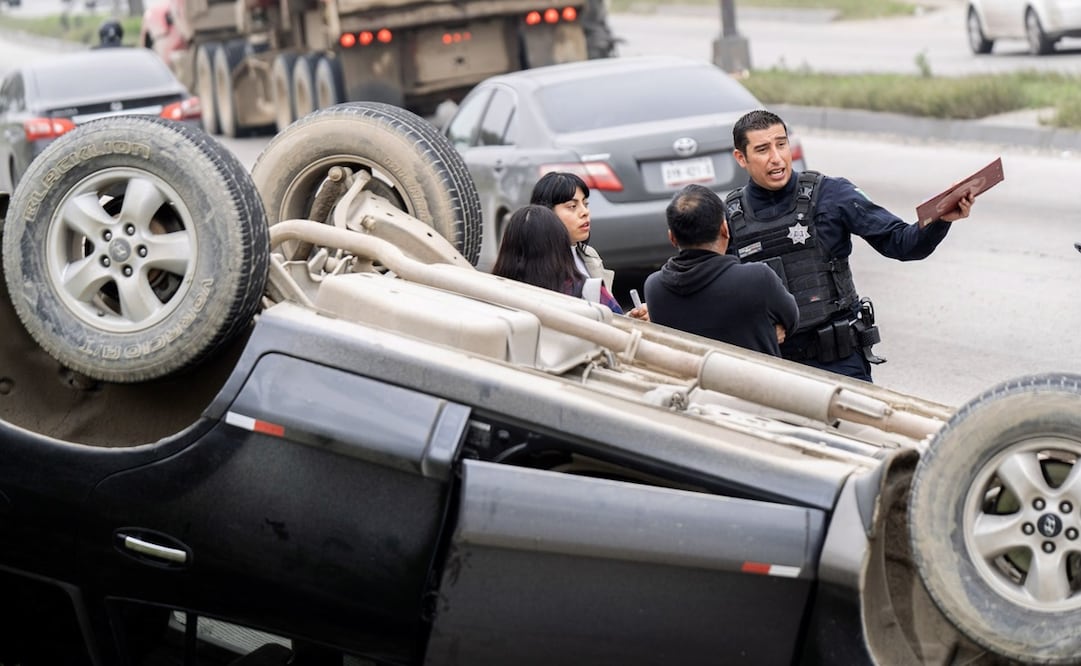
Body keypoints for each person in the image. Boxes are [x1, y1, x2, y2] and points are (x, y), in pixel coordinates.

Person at [725, 109, 974, 381]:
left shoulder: (832, 194)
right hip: (771, 368)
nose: (776, 158)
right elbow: (717, 297)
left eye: (781, 144)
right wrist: (755, 328)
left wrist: (939, 220)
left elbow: (903, 243)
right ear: (741, 158)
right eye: (762, 149)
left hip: (839, 362)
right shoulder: (729, 218)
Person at [644, 184, 798, 356]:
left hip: (693, 382)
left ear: (672, 238)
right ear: (725, 229)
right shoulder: (758, 278)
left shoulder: (655, 288)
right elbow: (791, 320)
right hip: (757, 381)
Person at [530, 171, 649, 320]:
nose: (585, 212)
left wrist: (631, 319)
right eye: (572, 206)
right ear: (546, 212)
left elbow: (606, 317)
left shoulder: (589, 255)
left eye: (585, 204)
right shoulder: (536, 262)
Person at [493, 205, 624, 314]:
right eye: (572, 206)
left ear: (507, 248)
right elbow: (621, 328)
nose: (585, 211)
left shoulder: (489, 294)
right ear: (561, 245)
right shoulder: (590, 292)